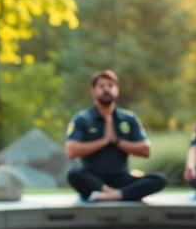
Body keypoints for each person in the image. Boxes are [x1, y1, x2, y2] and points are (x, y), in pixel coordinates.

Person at [65, 70, 167, 202]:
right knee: (74, 174)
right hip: (93, 180)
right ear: (93, 91)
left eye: (110, 85)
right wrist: (104, 141)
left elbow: (145, 150)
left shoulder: (129, 118)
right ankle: (115, 193)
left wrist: (116, 140)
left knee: (159, 179)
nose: (106, 89)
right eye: (102, 86)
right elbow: (71, 150)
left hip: (121, 177)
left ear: (117, 90)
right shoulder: (82, 119)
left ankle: (111, 196)